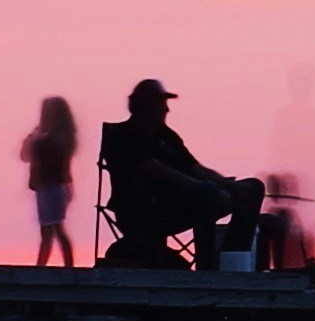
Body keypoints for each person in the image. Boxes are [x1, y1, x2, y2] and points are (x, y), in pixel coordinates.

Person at [97, 78, 252, 268]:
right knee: (207, 194)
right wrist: (201, 188)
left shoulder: (167, 136)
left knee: (252, 189)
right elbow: (155, 169)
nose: (166, 110)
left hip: (173, 205)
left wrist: (229, 186)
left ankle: (236, 258)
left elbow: (195, 168)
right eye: (161, 103)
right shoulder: (123, 136)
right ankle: (207, 267)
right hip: (142, 212)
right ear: (146, 106)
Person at [22, 95, 81, 266]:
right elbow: (25, 156)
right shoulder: (45, 136)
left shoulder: (56, 138)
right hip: (45, 187)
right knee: (48, 230)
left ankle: (59, 267)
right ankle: (45, 267)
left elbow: (54, 162)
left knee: (55, 228)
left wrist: (36, 142)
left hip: (53, 186)